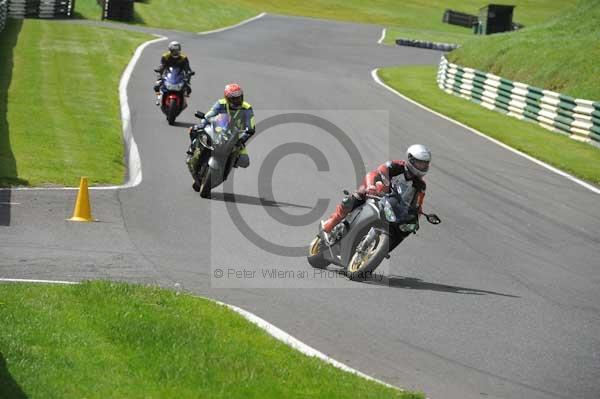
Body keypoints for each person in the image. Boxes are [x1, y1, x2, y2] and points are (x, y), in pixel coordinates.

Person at [321, 144, 431, 243]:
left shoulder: (421, 185)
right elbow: (375, 173)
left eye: (425, 164)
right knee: (356, 197)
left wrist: (415, 218)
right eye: (420, 163)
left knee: (403, 230)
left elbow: (418, 205)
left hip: (394, 208)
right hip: (377, 195)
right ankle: (330, 224)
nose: (423, 167)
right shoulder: (396, 166)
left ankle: (379, 250)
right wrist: (371, 186)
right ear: (410, 159)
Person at [187, 84, 256, 190]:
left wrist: (242, 139)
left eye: (239, 97)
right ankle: (193, 151)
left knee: (244, 161)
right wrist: (202, 123)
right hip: (218, 131)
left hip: (236, 137)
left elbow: (251, 126)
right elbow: (210, 115)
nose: (237, 100)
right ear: (227, 98)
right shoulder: (220, 104)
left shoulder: (247, 108)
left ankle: (225, 169)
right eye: (234, 98)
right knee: (195, 131)